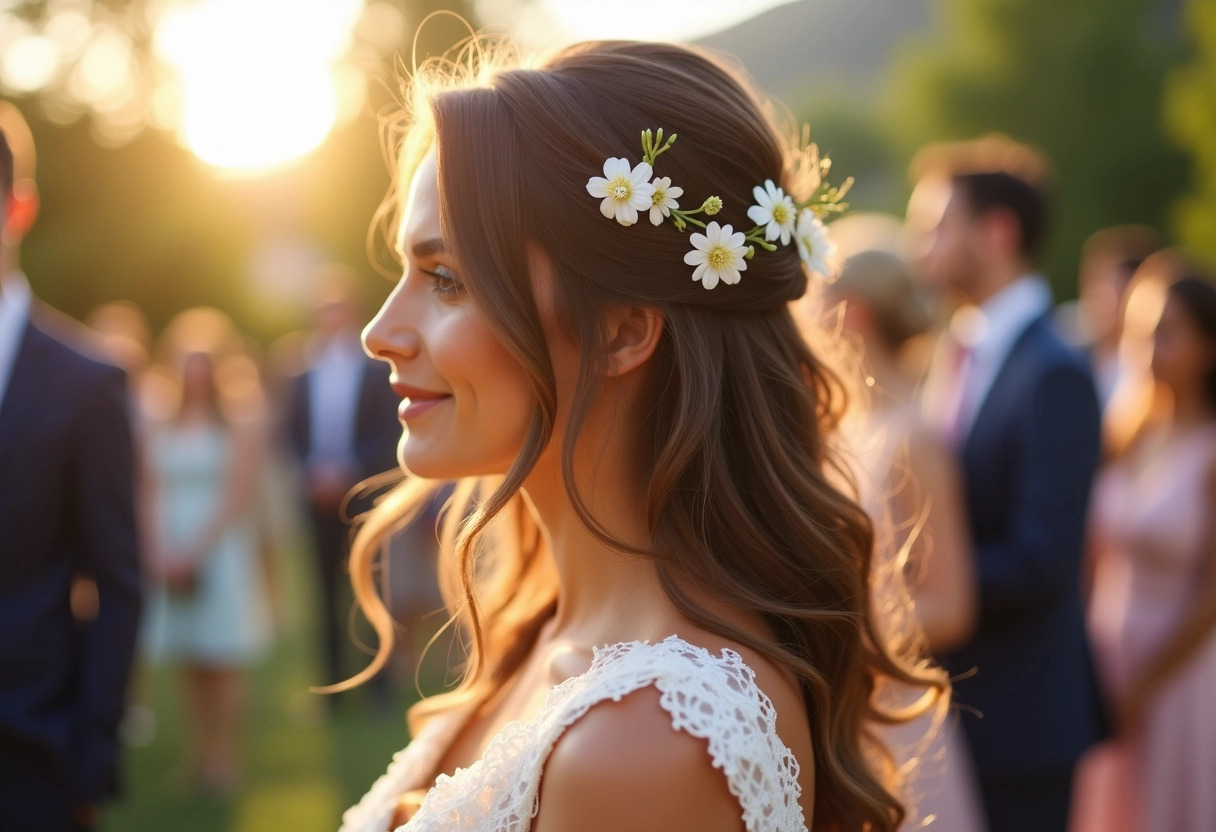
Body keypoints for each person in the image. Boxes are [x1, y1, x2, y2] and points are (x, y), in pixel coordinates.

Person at [337, 39, 946, 832]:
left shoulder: (649, 748)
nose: (379, 333)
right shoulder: (547, 627)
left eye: (447, 278)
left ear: (623, 332)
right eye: (405, 272)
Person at [910, 136, 1105, 832]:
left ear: (997, 233)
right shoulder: (953, 355)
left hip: (1021, 717)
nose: (919, 246)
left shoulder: (1054, 372)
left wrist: (912, 592)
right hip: (953, 710)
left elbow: (1041, 557)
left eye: (936, 227)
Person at [0, 106, 142, 830]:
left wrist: (91, 754)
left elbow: (117, 581)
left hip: (34, 753)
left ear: (17, 208)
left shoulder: (88, 382)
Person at [825, 250, 985, 832]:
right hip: (849, 712)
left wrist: (836, 643)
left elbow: (950, 605)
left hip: (899, 712)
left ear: (853, 313)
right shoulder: (845, 430)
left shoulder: (912, 440)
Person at [1070, 255, 1216, 832]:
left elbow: (1212, 599)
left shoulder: (1209, 454)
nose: (1151, 349)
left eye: (1170, 334)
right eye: (1143, 332)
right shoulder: (1128, 434)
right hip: (1108, 653)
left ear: (1209, 346)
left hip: (1179, 670)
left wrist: (1145, 685)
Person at [141, 316, 271, 796]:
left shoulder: (238, 418)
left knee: (221, 657)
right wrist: (158, 547)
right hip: (170, 545)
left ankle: (226, 761)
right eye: (186, 363)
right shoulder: (161, 418)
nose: (195, 373)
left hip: (219, 546)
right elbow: (149, 485)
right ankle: (197, 757)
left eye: (203, 364)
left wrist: (195, 547)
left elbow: (240, 491)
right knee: (189, 659)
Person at [285, 267, 401, 697]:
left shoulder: (376, 371)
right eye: (324, 310)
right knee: (323, 593)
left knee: (371, 587)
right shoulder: (300, 372)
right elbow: (292, 433)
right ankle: (332, 687)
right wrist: (311, 472)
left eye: (338, 309)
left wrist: (349, 470)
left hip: (365, 493)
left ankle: (378, 686)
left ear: (352, 312)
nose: (331, 317)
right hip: (316, 497)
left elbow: (387, 433)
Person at [1057, 225, 1162, 409]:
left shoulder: (1151, 368)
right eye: (1094, 286)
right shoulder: (1064, 340)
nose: (1099, 300)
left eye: (1112, 292)